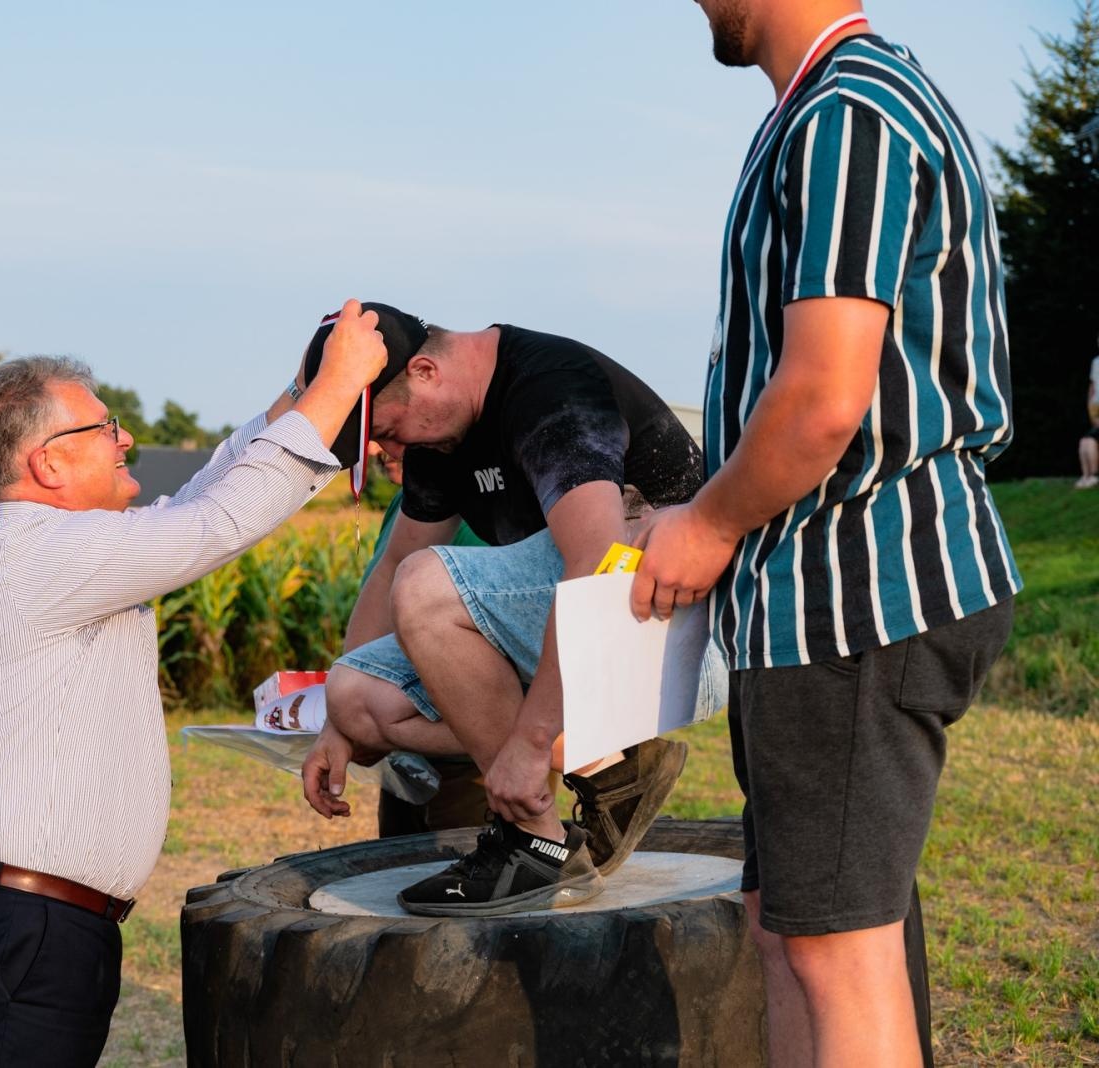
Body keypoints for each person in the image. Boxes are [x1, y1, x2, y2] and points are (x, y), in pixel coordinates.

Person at [635, 4, 1020, 1064]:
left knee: (837, 957)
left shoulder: (849, 113)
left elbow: (820, 400)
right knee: (792, 938)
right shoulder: (818, 109)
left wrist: (707, 524)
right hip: (814, 600)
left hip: (854, 588)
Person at [0, 300, 387, 1066]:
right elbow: (217, 525)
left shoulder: (66, 549)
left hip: (35, 920)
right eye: (103, 427)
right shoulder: (41, 555)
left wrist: (299, 395)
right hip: (22, 922)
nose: (125, 437)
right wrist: (339, 387)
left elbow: (202, 500)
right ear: (49, 463)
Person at [297, 303, 705, 916]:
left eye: (384, 427)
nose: (387, 445)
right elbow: (390, 563)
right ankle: (600, 785)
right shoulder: (443, 427)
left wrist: (531, 744)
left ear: (427, 370)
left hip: (675, 623)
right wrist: (335, 722)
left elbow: (594, 564)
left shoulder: (549, 392)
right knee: (358, 694)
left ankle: (536, 830)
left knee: (426, 588)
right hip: (581, 625)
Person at [362, 445, 491, 839]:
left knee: (461, 875)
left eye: (386, 429)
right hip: (405, 744)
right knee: (394, 874)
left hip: (473, 758)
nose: (372, 448)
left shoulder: (487, 502)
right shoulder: (407, 502)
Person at [1079, 332, 1099, 488]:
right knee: (1085, 441)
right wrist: (1092, 412)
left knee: (1091, 441)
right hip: (1096, 410)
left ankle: (1093, 475)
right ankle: (1086, 476)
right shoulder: (1096, 362)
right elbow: (1092, 389)